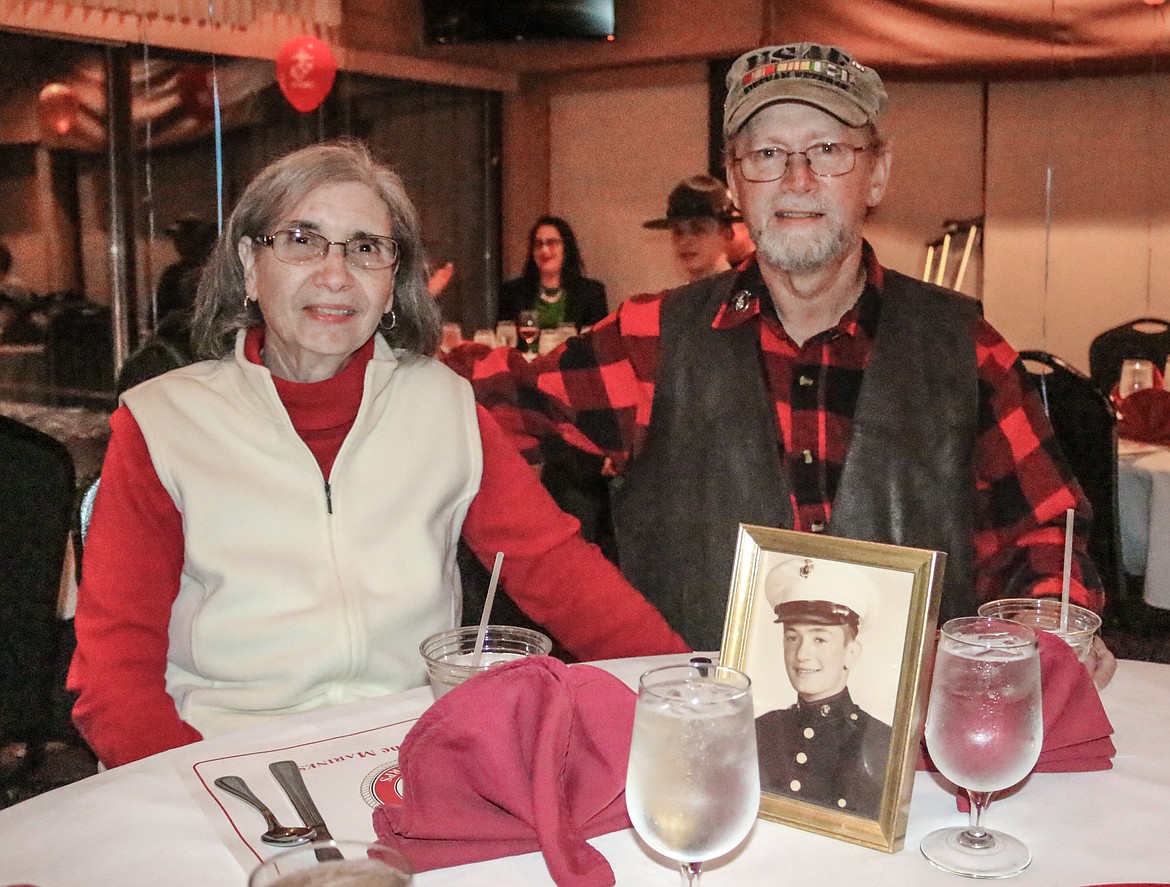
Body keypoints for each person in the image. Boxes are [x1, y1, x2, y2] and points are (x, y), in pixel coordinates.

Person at [454, 42, 1116, 687]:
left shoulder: (965, 347)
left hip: (917, 767)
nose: (798, 179)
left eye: (828, 150)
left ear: (877, 172)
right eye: (768, 153)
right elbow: (473, 406)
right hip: (701, 753)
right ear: (737, 180)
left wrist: (1041, 630)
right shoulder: (650, 340)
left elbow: (1045, 537)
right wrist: (386, 332)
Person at [67, 141, 688, 768]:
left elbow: (560, 572)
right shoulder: (162, 423)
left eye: (366, 248)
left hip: (412, 759)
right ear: (250, 267)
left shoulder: (443, 406)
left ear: (393, 284)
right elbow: (115, 676)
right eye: (301, 239)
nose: (335, 273)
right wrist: (200, 792)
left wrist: (689, 691)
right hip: (223, 762)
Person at [754, 557, 891, 819]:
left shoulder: (883, 742)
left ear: (851, 653)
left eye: (820, 639)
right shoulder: (760, 731)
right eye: (792, 637)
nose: (802, 653)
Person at [497, 216, 608, 331]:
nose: (544, 250)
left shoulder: (592, 293)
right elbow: (505, 340)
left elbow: (598, 342)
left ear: (566, 248)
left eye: (552, 243)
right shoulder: (511, 292)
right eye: (538, 244)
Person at [643, 175, 737, 283]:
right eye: (678, 232)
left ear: (727, 235)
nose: (684, 241)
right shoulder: (674, 299)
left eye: (698, 229)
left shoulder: (745, 295)